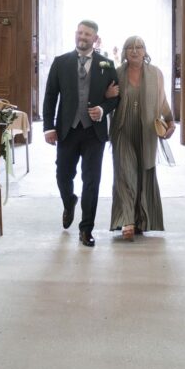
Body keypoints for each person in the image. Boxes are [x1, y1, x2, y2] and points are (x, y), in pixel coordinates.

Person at [42, 19, 119, 247]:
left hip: (94, 133)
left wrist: (103, 109)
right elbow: (50, 97)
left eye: (87, 34)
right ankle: (69, 201)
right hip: (68, 130)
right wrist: (48, 127)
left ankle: (86, 229)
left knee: (92, 181)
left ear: (95, 39)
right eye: (80, 32)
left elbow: (115, 97)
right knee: (63, 175)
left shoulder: (106, 64)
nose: (82, 37)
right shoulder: (60, 62)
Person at [108, 36, 174, 240]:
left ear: (145, 51)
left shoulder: (155, 74)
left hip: (147, 131)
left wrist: (170, 121)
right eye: (130, 48)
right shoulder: (117, 73)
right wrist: (108, 95)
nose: (135, 51)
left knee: (144, 174)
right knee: (125, 174)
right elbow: (107, 101)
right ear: (125, 52)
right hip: (123, 130)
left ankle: (142, 220)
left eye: (139, 47)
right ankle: (127, 220)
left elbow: (162, 100)